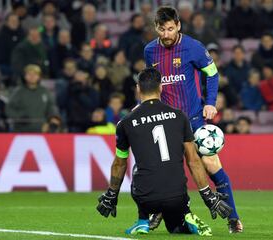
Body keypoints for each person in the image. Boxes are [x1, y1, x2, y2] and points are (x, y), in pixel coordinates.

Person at [96, 68, 232, 236]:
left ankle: (143, 220)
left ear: (138, 88)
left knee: (137, 167)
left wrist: (111, 194)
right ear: (161, 88)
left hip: (146, 197)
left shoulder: (126, 122)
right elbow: (193, 161)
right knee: (174, 227)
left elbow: (119, 163)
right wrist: (208, 195)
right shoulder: (179, 116)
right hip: (178, 196)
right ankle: (185, 214)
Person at [143, 6, 242, 233]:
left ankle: (233, 219)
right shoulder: (149, 51)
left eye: (170, 28)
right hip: (167, 121)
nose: (166, 34)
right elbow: (153, 84)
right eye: (162, 29)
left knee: (210, 164)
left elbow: (213, 73)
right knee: (163, 170)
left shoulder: (194, 47)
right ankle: (158, 211)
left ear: (178, 25)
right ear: (156, 28)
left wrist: (210, 102)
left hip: (194, 117)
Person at [6, 64, 57, 132]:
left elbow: (51, 107)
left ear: (39, 76)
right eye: (29, 74)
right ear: (25, 76)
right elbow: (9, 108)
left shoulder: (45, 92)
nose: (32, 77)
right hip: (21, 130)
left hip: (41, 129)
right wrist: (19, 117)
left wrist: (53, 118)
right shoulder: (18, 92)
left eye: (35, 74)